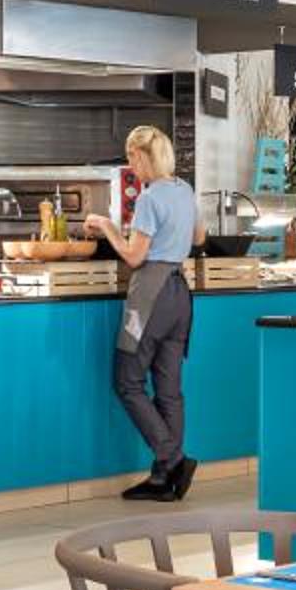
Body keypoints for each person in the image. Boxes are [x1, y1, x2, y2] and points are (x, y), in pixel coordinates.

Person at [86, 125, 204, 501]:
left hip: (151, 295)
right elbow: (199, 237)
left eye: (131, 158)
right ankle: (163, 480)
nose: (130, 166)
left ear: (141, 156)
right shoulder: (184, 190)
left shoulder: (150, 198)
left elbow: (134, 256)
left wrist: (106, 226)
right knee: (169, 390)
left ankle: (173, 459)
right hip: (180, 293)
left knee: (128, 381)